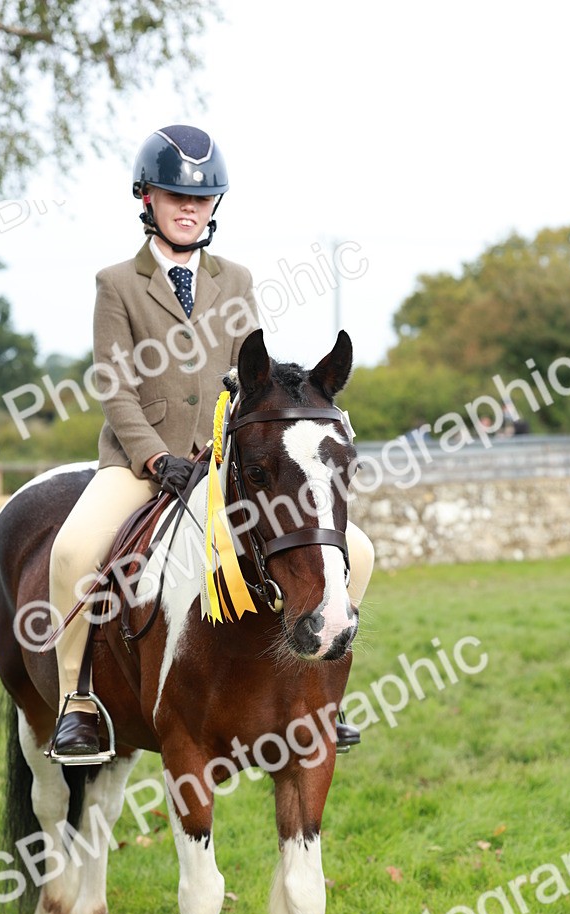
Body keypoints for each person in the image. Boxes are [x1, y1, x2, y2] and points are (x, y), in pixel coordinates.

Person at [49, 125, 374, 758]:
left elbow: (247, 376)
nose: (190, 208)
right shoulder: (115, 284)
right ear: (147, 199)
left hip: (222, 466)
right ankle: (78, 700)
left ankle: (322, 694)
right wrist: (154, 457)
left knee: (354, 552)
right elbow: (116, 389)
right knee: (73, 552)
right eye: (176, 196)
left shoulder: (237, 279)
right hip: (141, 465)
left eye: (201, 198)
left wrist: (243, 447)